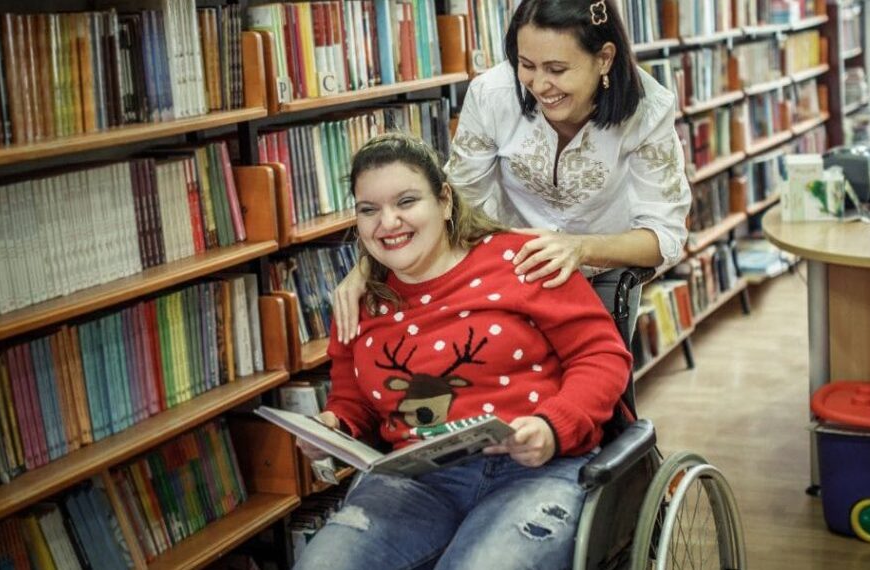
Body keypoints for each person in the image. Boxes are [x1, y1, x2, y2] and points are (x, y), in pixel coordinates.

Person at [292, 132, 632, 569]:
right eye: (369, 209)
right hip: (416, 480)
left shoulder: (522, 260)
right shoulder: (356, 300)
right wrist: (332, 426)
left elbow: (601, 356)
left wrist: (552, 426)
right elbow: (352, 400)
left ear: (445, 201)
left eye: (406, 201)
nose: (388, 222)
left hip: (538, 469)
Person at [333, 0, 691, 344]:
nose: (539, 85)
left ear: (604, 58)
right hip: (505, 273)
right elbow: (456, 201)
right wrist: (369, 267)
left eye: (557, 69)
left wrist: (581, 248)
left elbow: (665, 237)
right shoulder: (492, 94)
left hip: (603, 275)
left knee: (596, 372)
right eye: (526, 64)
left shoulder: (649, 111)